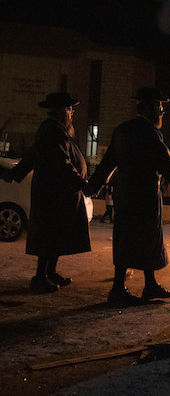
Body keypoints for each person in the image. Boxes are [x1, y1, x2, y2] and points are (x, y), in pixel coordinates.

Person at [87, 88, 170, 306]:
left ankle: (146, 285)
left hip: (125, 192)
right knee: (147, 236)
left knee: (128, 237)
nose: (162, 112)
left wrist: (95, 185)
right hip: (145, 193)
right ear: (148, 108)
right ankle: (120, 289)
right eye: (159, 107)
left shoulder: (122, 130)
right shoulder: (149, 132)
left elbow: (109, 161)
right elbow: (166, 164)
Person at [4, 92, 91, 293]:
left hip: (59, 193)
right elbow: (63, 163)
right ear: (62, 111)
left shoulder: (54, 130)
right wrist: (81, 183)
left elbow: (31, 156)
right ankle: (40, 277)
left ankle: (49, 273)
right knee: (50, 235)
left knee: (57, 235)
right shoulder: (53, 132)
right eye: (70, 109)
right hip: (53, 194)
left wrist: (16, 173)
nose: (72, 113)